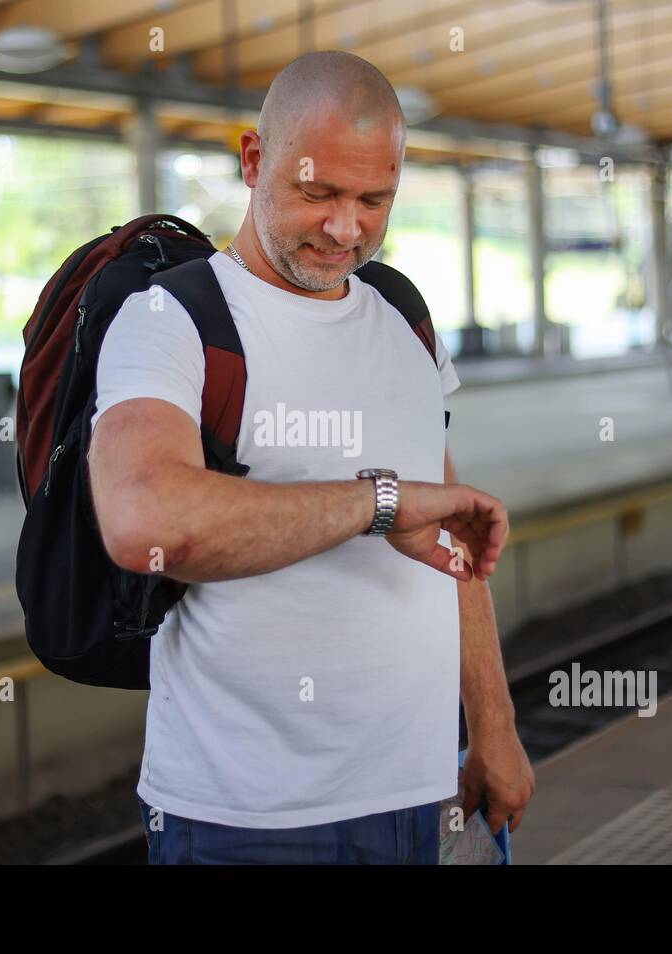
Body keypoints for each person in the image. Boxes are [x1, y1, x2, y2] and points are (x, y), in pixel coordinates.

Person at [88, 50, 534, 864]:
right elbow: (144, 520)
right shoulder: (172, 320)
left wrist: (494, 727)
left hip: (418, 796)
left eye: (374, 199)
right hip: (245, 820)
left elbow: (453, 545)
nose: (345, 227)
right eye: (317, 192)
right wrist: (379, 503)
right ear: (255, 160)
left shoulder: (402, 316)